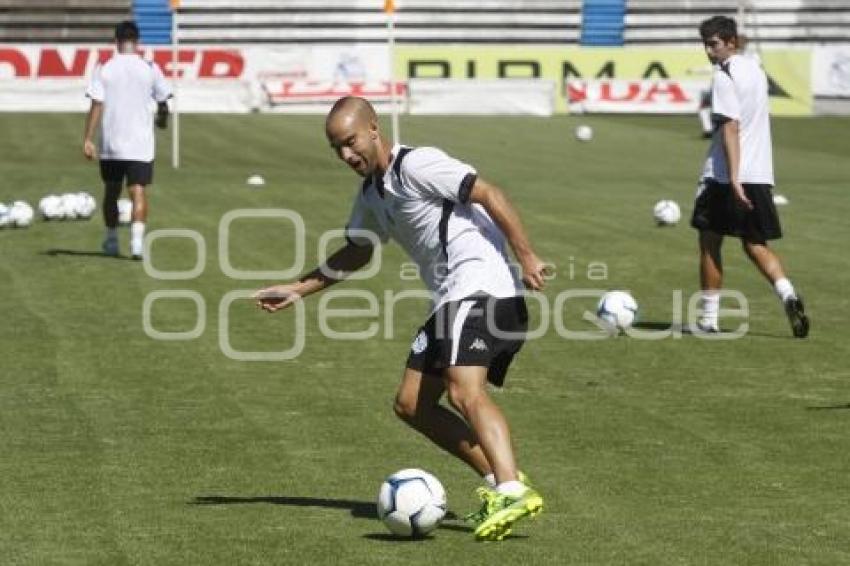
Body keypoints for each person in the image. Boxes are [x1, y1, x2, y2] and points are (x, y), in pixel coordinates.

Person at [255, 96, 547, 541]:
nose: (346, 155)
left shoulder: (418, 165)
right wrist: (298, 289)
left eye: (350, 142)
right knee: (412, 404)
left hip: (481, 286)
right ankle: (501, 480)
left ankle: (510, 488)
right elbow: (357, 250)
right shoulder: (372, 193)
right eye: (336, 148)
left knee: (463, 389)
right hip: (452, 298)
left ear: (374, 128)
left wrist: (526, 257)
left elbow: (489, 193)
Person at [692, 16, 809, 338]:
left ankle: (709, 320)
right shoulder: (755, 69)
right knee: (755, 243)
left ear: (731, 41)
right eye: (705, 44)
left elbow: (730, 126)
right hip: (760, 172)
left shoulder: (724, 74)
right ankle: (787, 292)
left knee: (709, 240)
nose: (709, 51)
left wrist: (733, 178)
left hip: (726, 176)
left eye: (714, 43)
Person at [83, 20, 171, 259]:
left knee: (111, 192)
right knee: (138, 192)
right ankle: (136, 244)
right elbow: (164, 101)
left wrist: (88, 138)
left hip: (112, 143)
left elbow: (96, 103)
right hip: (141, 144)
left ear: (116, 41)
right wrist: (163, 119)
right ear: (138, 41)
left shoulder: (105, 66)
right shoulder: (150, 67)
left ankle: (111, 241)